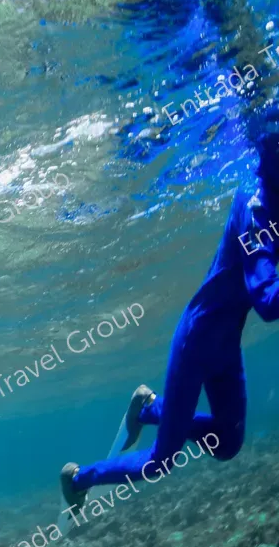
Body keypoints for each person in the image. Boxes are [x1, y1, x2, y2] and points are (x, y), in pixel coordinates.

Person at [59, 125, 279, 507]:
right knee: (162, 461)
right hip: (196, 343)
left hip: (224, 346)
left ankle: (149, 409)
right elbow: (267, 298)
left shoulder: (272, 198)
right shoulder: (257, 208)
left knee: (227, 443)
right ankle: (78, 480)